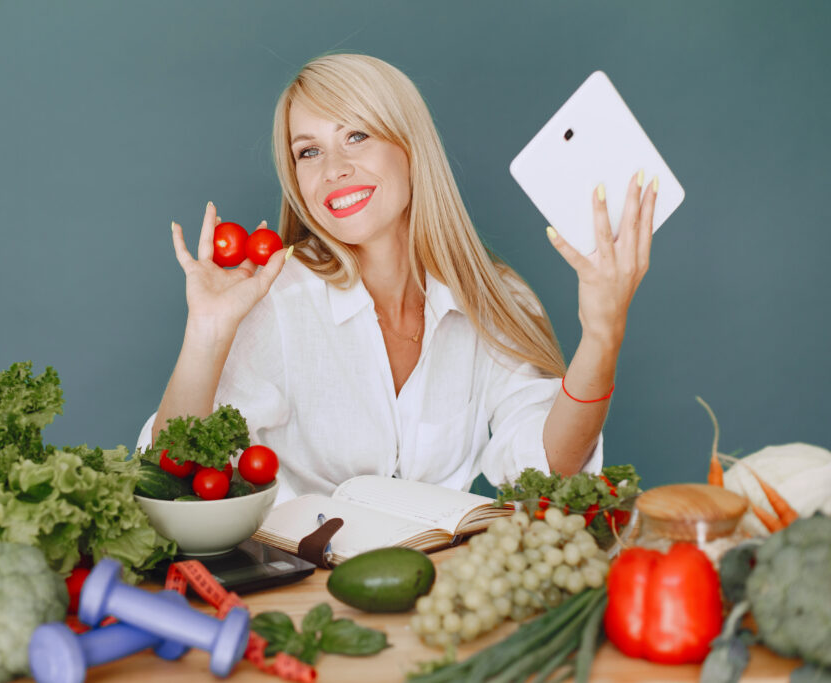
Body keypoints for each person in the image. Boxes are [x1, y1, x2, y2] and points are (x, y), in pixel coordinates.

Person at [137, 54, 657, 503]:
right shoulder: (277, 298)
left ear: (411, 148)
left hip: (435, 595)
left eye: (356, 136)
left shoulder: (497, 301)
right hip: (299, 596)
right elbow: (167, 473)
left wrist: (602, 335)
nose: (333, 168)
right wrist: (207, 332)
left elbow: (550, 467)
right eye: (308, 151)